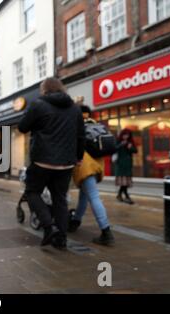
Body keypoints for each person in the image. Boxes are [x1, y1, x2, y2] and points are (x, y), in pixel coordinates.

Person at [19, 77, 85, 250]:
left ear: (44, 90)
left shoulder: (38, 104)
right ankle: (61, 239)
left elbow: (22, 127)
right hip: (66, 163)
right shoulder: (75, 108)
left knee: (32, 192)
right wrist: (78, 157)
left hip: (42, 161)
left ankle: (50, 227)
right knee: (60, 200)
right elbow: (80, 136)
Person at [69, 105, 115, 246]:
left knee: (93, 197)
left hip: (85, 165)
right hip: (97, 165)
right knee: (85, 196)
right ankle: (75, 222)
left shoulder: (76, 126)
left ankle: (106, 231)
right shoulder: (95, 125)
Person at [115, 129, 138, 205]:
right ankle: (127, 196)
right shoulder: (118, 142)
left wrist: (130, 147)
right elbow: (114, 149)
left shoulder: (130, 142)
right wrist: (121, 144)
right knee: (123, 182)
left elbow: (135, 151)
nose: (126, 136)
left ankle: (120, 195)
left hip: (128, 164)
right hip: (121, 164)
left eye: (127, 135)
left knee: (125, 182)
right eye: (124, 135)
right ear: (122, 135)